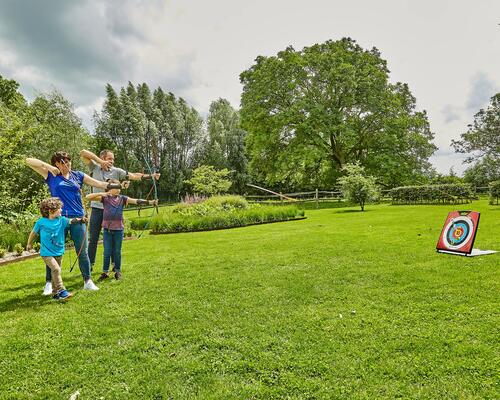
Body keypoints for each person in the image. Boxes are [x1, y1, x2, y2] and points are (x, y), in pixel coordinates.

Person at [26, 151, 129, 292]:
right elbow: (28, 160)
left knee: (82, 251)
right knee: (53, 251)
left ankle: (88, 281)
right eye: (62, 162)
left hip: (78, 218)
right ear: (56, 163)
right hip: (59, 219)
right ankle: (49, 283)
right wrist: (48, 167)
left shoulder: (78, 175)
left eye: (68, 161)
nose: (66, 164)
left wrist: (119, 186)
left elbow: (99, 183)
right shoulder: (51, 175)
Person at [80, 149, 160, 269]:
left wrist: (151, 176)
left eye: (113, 159)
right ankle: (90, 264)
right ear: (103, 158)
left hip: (112, 209)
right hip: (97, 208)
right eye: (109, 159)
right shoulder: (95, 167)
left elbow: (133, 175)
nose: (112, 161)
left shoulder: (117, 171)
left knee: (112, 237)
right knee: (94, 238)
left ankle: (113, 264)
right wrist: (100, 161)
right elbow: (83, 153)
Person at [86, 179, 158, 280]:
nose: (119, 189)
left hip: (118, 230)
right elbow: (88, 197)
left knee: (117, 251)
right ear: (110, 188)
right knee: (107, 251)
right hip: (107, 230)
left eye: (119, 187)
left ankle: (117, 271)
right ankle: (105, 272)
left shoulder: (122, 198)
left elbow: (136, 201)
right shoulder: (104, 198)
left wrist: (151, 202)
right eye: (116, 187)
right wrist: (104, 193)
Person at [26, 198, 85, 300]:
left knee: (56, 271)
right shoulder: (41, 222)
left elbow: (72, 221)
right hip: (46, 252)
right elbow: (33, 233)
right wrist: (29, 244)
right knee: (56, 269)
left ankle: (55, 293)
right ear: (51, 211)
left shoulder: (61, 220)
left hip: (59, 251)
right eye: (59, 208)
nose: (61, 210)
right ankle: (62, 290)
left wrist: (81, 219)